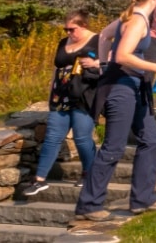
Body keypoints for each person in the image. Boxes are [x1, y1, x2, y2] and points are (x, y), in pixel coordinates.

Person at [74, 0, 156, 222]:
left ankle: (142, 199)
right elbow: (122, 55)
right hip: (121, 88)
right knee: (114, 146)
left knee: (151, 140)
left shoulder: (131, 16)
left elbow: (103, 37)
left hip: (134, 85)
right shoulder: (138, 20)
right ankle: (89, 204)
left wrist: (102, 64)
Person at [24, 11, 100, 196]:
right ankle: (39, 179)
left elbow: (109, 63)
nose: (68, 33)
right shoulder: (62, 43)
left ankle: (90, 172)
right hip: (60, 95)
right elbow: (56, 68)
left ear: (84, 26)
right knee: (52, 136)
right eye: (65, 29)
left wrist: (96, 64)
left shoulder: (98, 41)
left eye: (72, 29)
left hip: (84, 94)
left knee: (82, 137)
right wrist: (51, 93)